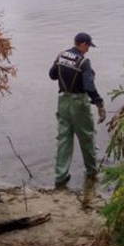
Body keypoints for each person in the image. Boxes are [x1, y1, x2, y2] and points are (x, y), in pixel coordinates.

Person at [49, 32, 106, 188]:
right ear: (82, 44)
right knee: (87, 137)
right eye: (88, 46)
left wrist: (66, 74)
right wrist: (100, 104)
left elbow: (52, 75)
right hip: (79, 102)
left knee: (64, 139)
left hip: (63, 101)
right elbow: (89, 86)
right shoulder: (84, 62)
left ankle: (60, 176)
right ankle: (91, 172)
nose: (88, 50)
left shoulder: (61, 55)